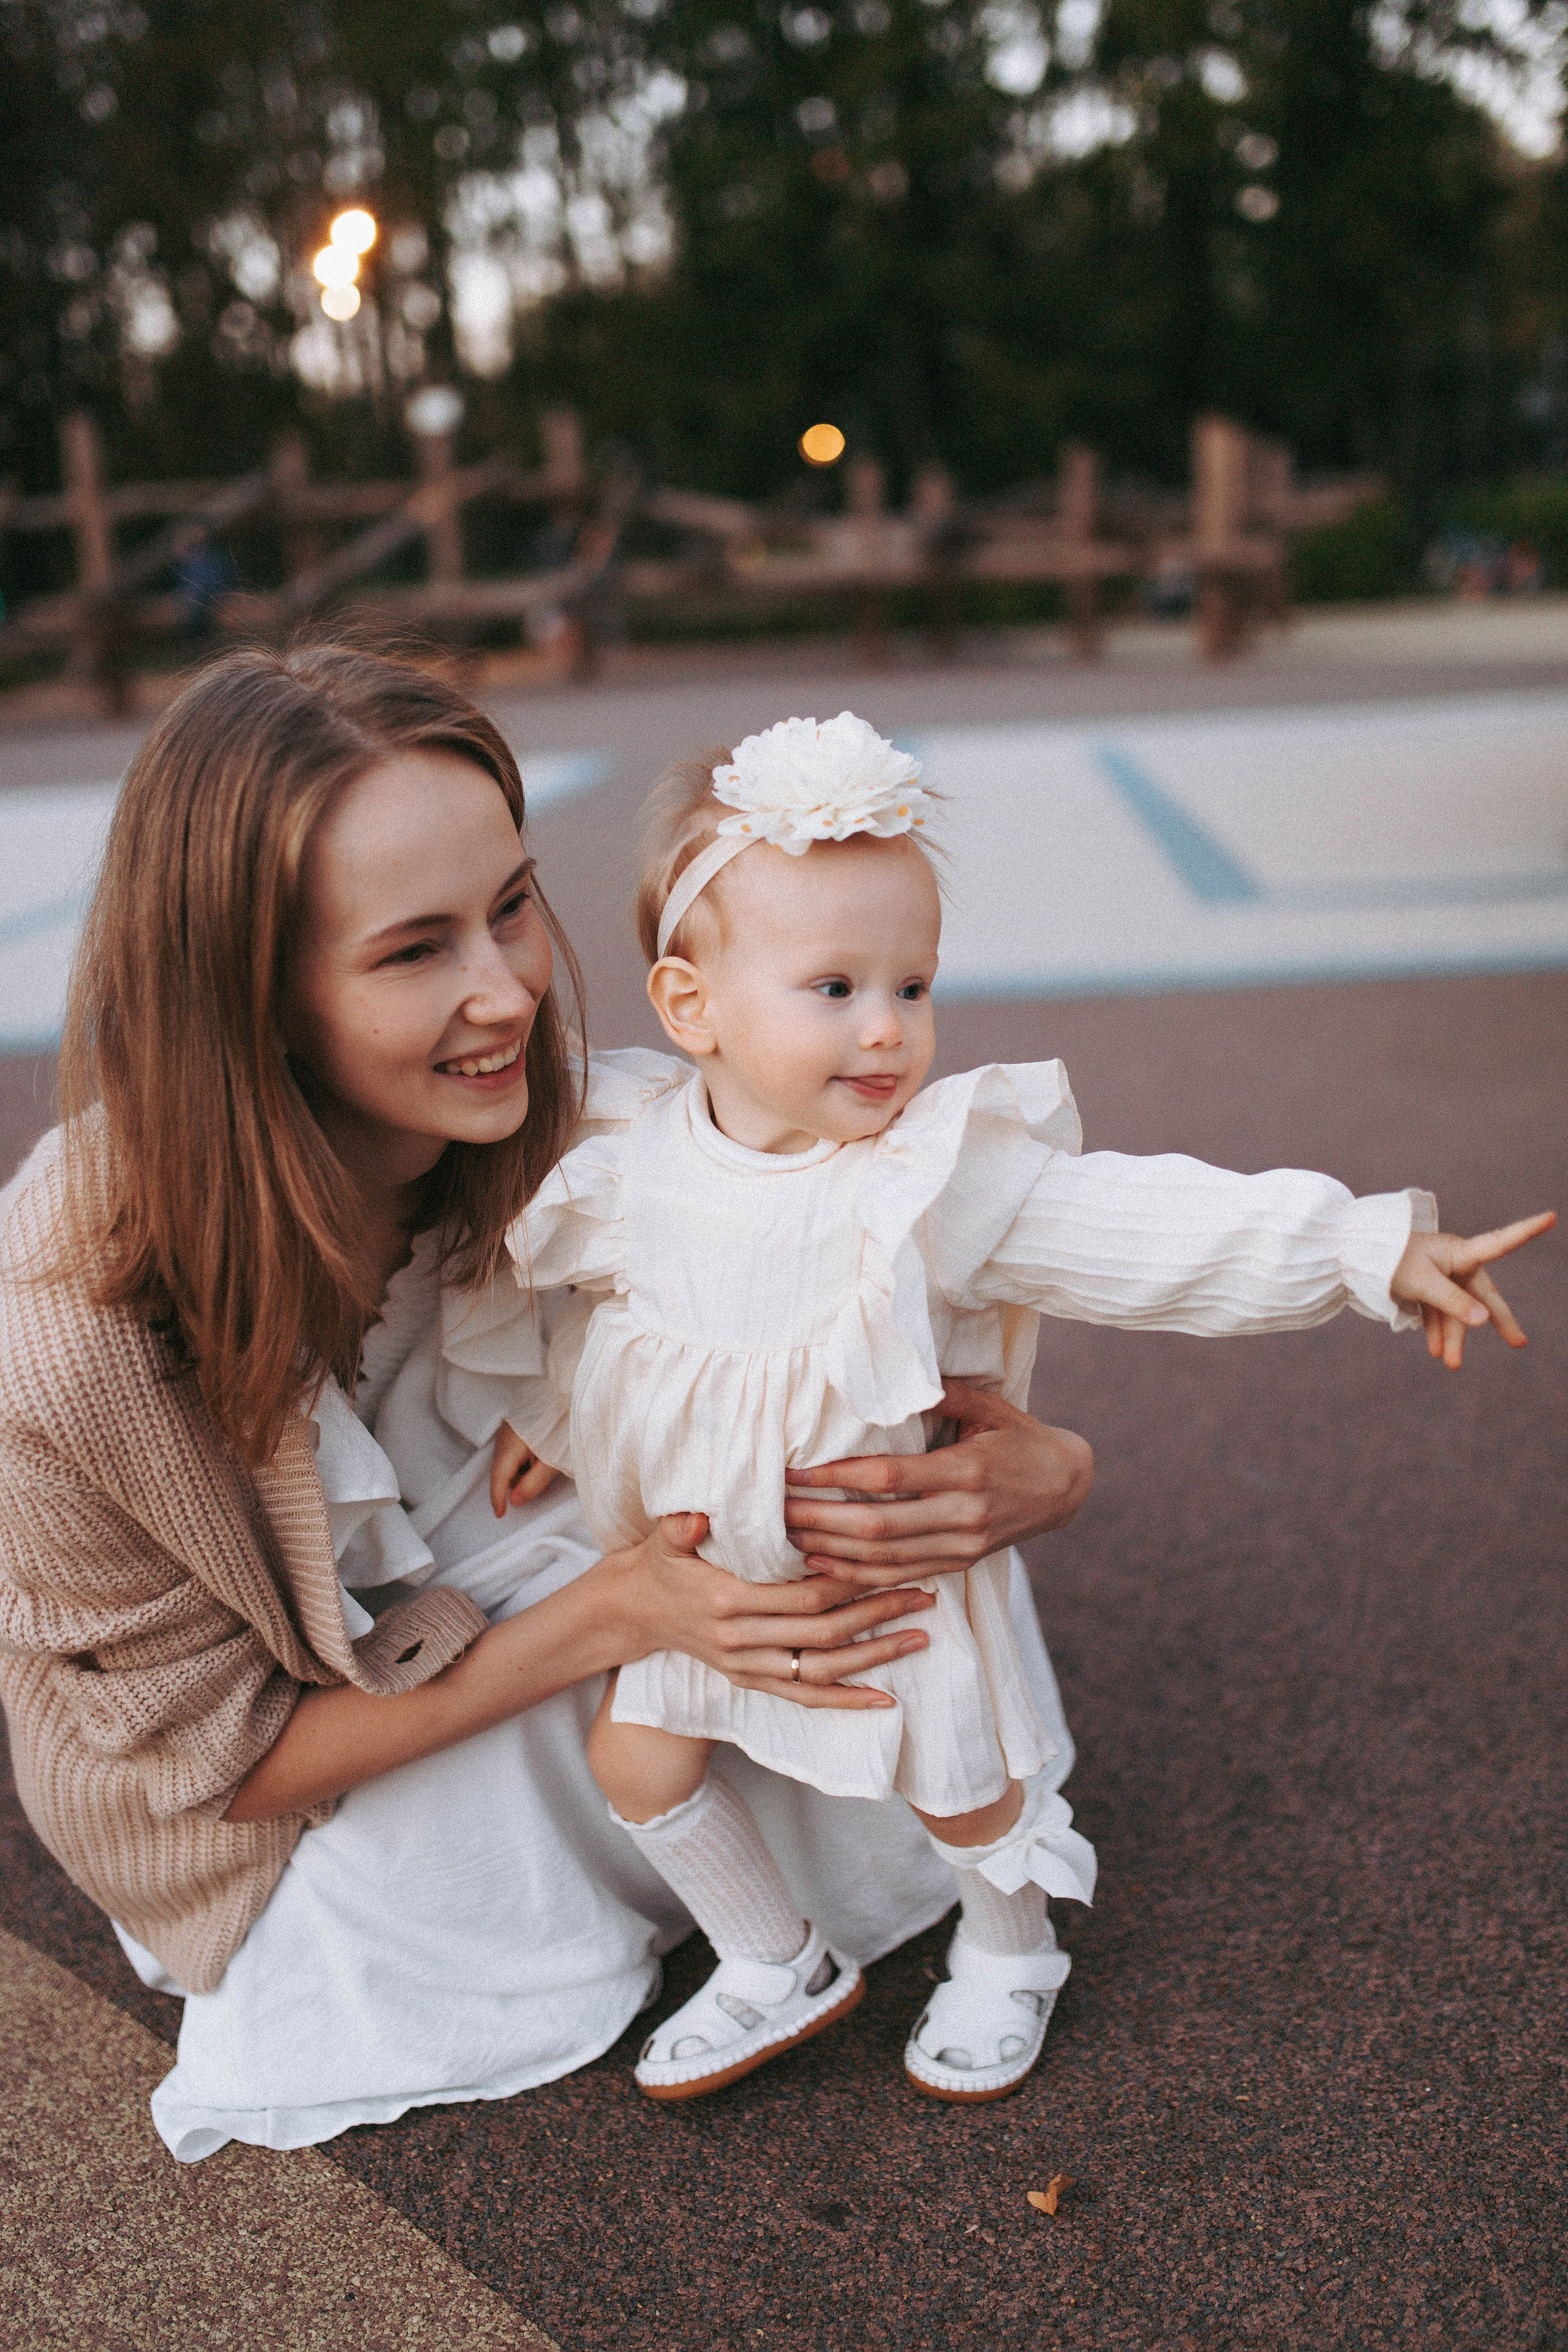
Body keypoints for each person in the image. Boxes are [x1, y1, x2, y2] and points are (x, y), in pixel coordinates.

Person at [0, 646, 1094, 2163]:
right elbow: (221, 1771)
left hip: (476, 1583)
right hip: (274, 1788)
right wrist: (617, 1612)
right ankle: (750, 1886)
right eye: (413, 952)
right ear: (252, 999)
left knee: (838, 1503)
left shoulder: (584, 1124)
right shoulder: (72, 1341)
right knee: (626, 1709)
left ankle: (794, 1870)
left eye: (510, 905)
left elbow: (861, 1274)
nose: (507, 991)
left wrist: (1045, 1469)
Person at [492, 711, 1554, 2108]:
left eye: (913, 984)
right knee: (635, 1758)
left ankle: (1010, 1947)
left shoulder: (925, 1179)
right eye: (833, 988)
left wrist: (1367, 1253)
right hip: (705, 1587)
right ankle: (773, 1956)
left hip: (884, 1584)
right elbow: (595, 1330)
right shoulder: (630, 1158)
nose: (889, 1027)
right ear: (691, 1008)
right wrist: (551, 1422)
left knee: (959, 1784)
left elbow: (1143, 1226)